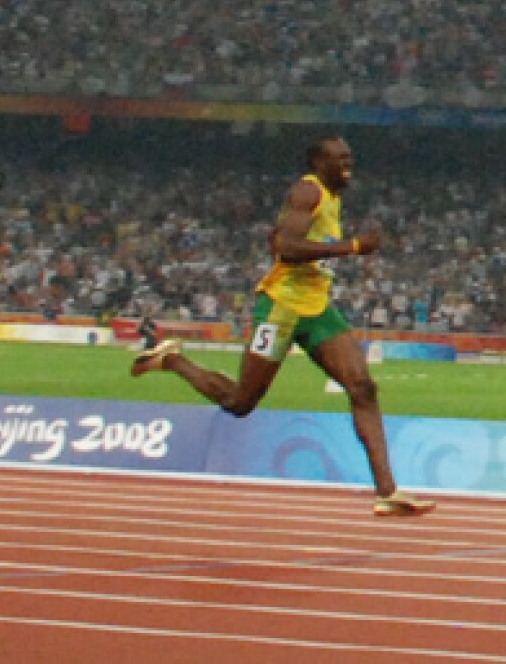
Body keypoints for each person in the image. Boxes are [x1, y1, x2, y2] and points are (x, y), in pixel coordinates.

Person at [131, 136, 435, 517]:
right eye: (340, 159)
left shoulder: (331, 196)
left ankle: (387, 491)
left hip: (317, 309)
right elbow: (287, 249)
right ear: (316, 162)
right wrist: (352, 247)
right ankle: (173, 360)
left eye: (350, 158)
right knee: (241, 402)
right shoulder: (307, 192)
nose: (348, 165)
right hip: (281, 309)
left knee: (362, 386)